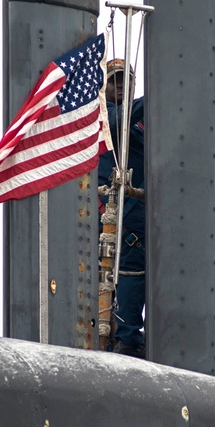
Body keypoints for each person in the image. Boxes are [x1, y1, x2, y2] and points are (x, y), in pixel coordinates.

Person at [98, 59, 146, 359]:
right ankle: (127, 337)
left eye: (126, 83)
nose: (120, 88)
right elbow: (119, 120)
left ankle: (134, 334)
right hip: (120, 213)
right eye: (114, 82)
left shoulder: (140, 120)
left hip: (141, 211)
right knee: (128, 273)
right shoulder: (104, 115)